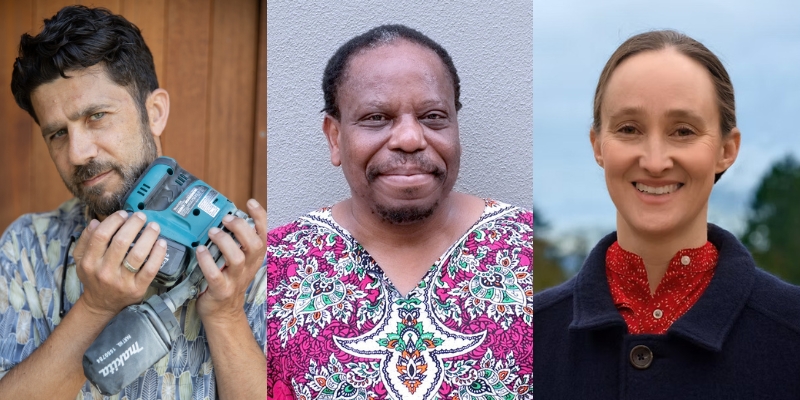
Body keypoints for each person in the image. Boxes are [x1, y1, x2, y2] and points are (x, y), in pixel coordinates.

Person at [0, 6, 266, 399]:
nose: (77, 152)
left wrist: (226, 314)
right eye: (57, 134)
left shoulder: (241, 248)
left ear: (154, 113)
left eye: (96, 116)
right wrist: (94, 308)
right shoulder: (27, 247)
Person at [266, 25, 533, 399]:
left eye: (433, 116)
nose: (410, 139)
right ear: (335, 137)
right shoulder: (273, 268)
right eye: (376, 118)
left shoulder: (532, 252)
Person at [533, 30, 800, 399]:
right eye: (629, 129)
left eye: (683, 131)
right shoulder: (524, 336)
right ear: (598, 146)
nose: (655, 161)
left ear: (726, 149)